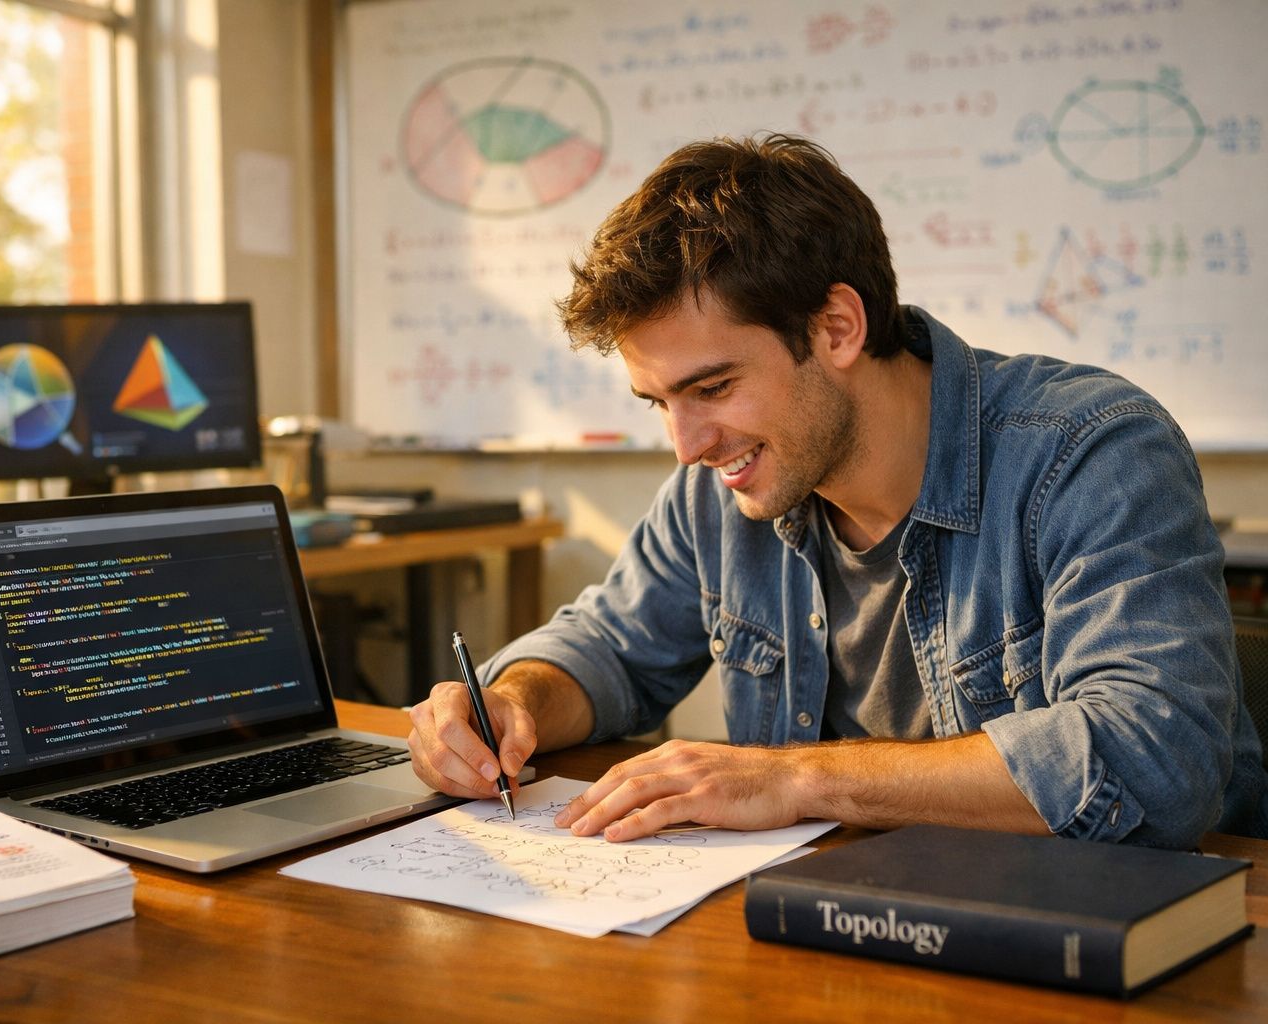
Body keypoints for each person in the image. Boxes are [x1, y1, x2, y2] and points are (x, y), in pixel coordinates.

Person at [406, 133, 1268, 850]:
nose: (688, 444)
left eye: (711, 388)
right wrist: (513, 700)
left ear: (837, 327)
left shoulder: (1091, 450)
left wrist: (799, 776)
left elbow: (1156, 760)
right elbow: (610, 647)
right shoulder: (724, 483)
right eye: (660, 403)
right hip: (839, 917)